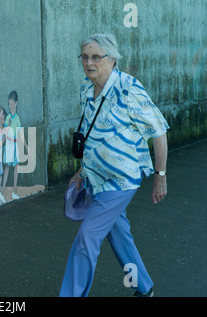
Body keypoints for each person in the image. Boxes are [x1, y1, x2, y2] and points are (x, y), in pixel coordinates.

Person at [59, 34, 169, 297]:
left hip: (121, 180)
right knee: (119, 236)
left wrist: (160, 175)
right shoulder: (87, 88)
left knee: (87, 238)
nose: (89, 62)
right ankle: (144, 287)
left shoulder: (129, 88)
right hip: (95, 178)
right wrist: (81, 171)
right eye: (85, 56)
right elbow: (90, 132)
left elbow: (158, 132)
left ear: (112, 59)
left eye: (96, 56)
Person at [1, 91, 28, 200]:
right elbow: (4, 131)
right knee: (7, 167)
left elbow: (20, 132)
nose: (10, 106)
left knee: (16, 167)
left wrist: (25, 145)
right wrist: (8, 124)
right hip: (8, 144)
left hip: (15, 144)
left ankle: (14, 192)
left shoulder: (17, 118)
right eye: (9, 104)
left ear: (16, 103)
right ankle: (2, 192)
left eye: (12, 104)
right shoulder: (8, 118)